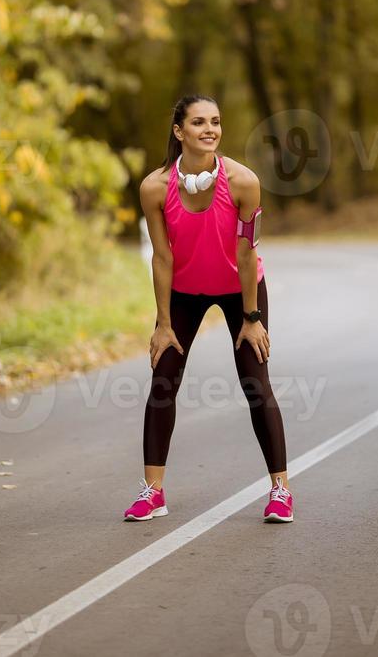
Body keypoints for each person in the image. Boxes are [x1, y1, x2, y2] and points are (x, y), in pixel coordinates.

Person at [123, 94, 293, 523]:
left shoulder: (243, 182)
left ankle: (280, 491)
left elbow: (248, 253)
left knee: (255, 381)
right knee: (163, 380)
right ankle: (153, 493)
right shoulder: (154, 188)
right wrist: (163, 322)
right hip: (183, 290)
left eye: (215, 121)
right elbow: (161, 257)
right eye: (198, 122)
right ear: (179, 131)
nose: (210, 129)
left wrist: (252, 319)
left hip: (240, 291)